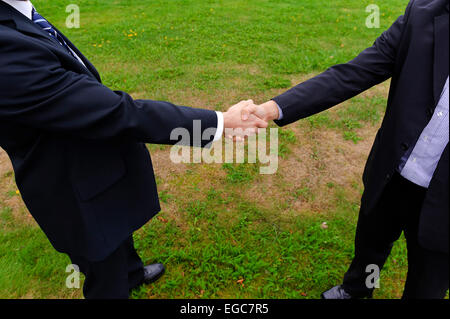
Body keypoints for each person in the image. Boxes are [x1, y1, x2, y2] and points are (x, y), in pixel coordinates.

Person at [0, 0, 267, 299]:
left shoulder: (17, 10)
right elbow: (116, 113)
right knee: (102, 262)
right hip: (68, 183)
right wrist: (221, 123)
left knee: (117, 226)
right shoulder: (4, 47)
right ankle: (117, 284)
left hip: (92, 158)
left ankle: (132, 272)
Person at [241, 0, 449, 299]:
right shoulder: (423, 14)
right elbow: (353, 73)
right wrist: (275, 108)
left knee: (427, 285)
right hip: (392, 173)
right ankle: (355, 290)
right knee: (371, 245)